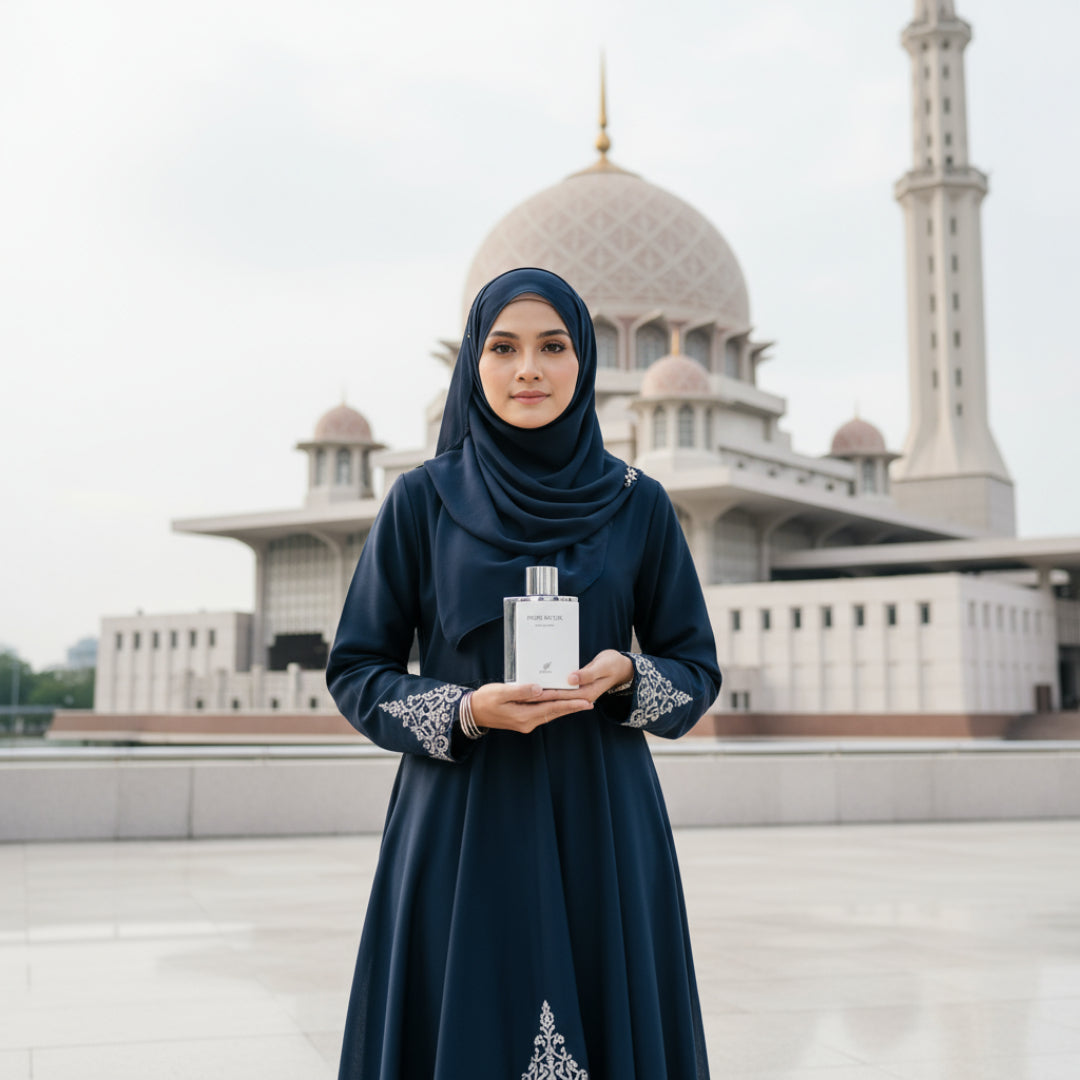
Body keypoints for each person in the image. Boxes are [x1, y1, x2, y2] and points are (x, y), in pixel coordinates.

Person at [327, 267, 722, 1079]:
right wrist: (466, 709)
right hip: (462, 820)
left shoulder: (636, 503)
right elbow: (357, 669)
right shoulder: (423, 501)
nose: (528, 370)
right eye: (503, 348)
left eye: (552, 346)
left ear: (585, 364)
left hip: (602, 818)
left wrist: (625, 677)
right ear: (474, 362)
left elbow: (695, 668)